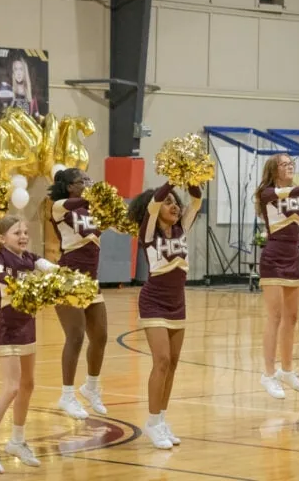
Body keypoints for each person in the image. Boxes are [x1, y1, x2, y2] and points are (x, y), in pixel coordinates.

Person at [0, 216, 57, 473]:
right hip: (7, 330)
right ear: (1, 238)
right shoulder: (0, 257)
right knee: (10, 388)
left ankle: (17, 441)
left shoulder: (30, 258)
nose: (22, 236)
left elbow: (53, 269)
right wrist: (14, 282)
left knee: (28, 385)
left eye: (25, 231)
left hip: (28, 327)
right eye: (16, 232)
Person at [127, 181, 202, 449]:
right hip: (154, 302)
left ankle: (161, 420)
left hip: (177, 303)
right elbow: (154, 203)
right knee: (161, 360)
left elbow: (196, 199)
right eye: (168, 203)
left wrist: (190, 175)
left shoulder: (182, 228)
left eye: (175, 202)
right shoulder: (148, 232)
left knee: (173, 363)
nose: (174, 206)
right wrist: (171, 178)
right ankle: (152, 422)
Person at [48, 168, 108, 419]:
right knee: (75, 337)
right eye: (81, 181)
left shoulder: (91, 208)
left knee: (101, 336)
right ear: (69, 187)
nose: (87, 183)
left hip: (91, 281)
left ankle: (91, 388)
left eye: (88, 178)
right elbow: (82, 201)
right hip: (68, 280)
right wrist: (98, 194)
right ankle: (67, 395)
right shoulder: (59, 207)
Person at [254, 154, 299, 399]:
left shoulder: (295, 194)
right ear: (274, 169)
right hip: (274, 258)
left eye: (291, 164)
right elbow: (285, 194)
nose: (290, 167)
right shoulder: (267, 193)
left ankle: (287, 370)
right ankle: (268, 373)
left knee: (292, 317)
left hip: (293, 256)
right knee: (274, 316)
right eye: (285, 164)